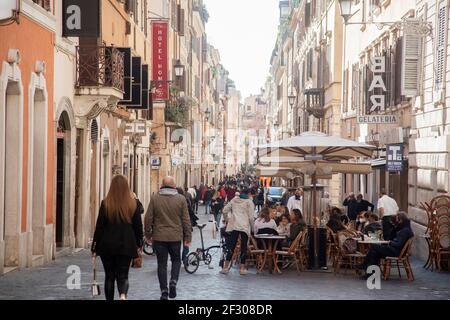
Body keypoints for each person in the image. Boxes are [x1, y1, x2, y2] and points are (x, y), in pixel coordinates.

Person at [91, 175, 143, 301]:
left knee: (109, 276)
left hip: (107, 245)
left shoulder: (106, 203)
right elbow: (138, 226)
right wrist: (139, 243)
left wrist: (94, 246)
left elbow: (99, 227)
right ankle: (123, 295)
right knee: (123, 275)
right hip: (126, 244)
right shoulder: (133, 204)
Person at [144, 177, 192, 300]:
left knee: (162, 264)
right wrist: (188, 237)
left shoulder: (155, 198)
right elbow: (186, 220)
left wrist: (148, 234)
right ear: (174, 186)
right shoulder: (181, 199)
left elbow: (148, 218)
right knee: (176, 261)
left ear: (162, 185)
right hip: (175, 237)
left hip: (159, 237)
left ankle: (164, 291)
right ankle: (173, 281)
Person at [357, 212, 414, 279]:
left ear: (400, 220)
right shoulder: (403, 228)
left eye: (397, 219)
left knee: (374, 247)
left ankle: (365, 265)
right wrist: (394, 228)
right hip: (394, 250)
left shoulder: (405, 231)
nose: (396, 221)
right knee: (374, 252)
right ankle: (370, 272)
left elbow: (398, 244)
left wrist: (390, 242)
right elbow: (390, 237)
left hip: (396, 252)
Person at [220, 187, 255, 275]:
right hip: (244, 226)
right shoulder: (249, 202)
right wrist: (253, 228)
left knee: (231, 246)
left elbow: (224, 210)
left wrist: (227, 220)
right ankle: (242, 268)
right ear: (249, 194)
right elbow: (251, 217)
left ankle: (225, 267)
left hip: (234, 225)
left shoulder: (234, 200)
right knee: (243, 247)